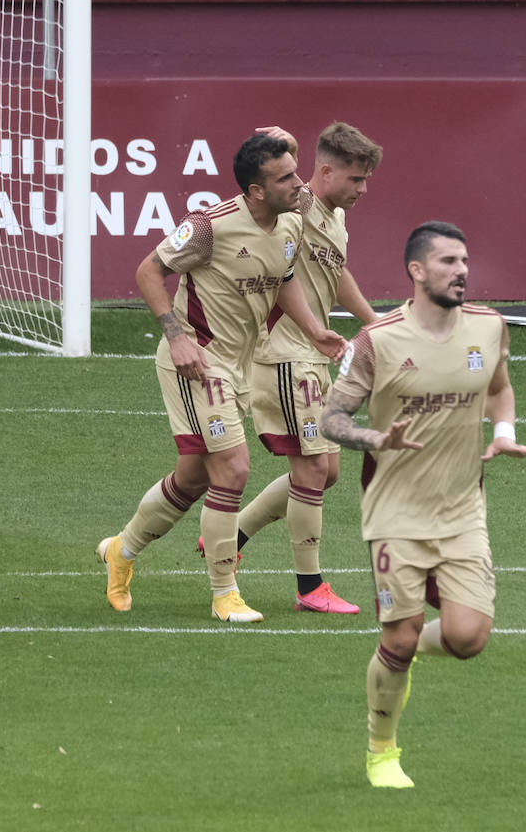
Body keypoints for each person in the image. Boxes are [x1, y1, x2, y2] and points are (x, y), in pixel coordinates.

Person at [320, 220, 526, 788]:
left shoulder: (490, 327)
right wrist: (376, 439)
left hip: (463, 504)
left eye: (464, 261)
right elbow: (332, 417)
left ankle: (404, 647)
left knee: (469, 638)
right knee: (398, 634)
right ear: (416, 271)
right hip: (394, 509)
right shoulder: (379, 339)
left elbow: (497, 386)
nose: (461, 271)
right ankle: (381, 751)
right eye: (447, 262)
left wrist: (504, 429)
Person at [96, 133, 346, 623]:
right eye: (286, 178)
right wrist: (176, 337)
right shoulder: (210, 226)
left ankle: (121, 550)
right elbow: (149, 271)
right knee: (232, 469)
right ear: (256, 190)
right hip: (197, 363)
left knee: (191, 480)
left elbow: (285, 279)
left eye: (296, 173)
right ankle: (224, 593)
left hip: (239, 368)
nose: (299, 184)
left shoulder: (290, 223)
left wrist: (315, 330)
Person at [207, 122, 383, 615]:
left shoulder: (334, 216)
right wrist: (290, 146)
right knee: (308, 470)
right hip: (283, 354)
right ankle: (310, 587)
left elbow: (336, 270)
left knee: (326, 473)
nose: (363, 189)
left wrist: (372, 319)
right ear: (325, 173)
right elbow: (263, 189)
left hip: (312, 354)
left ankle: (233, 532)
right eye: (356, 179)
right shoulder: (299, 204)